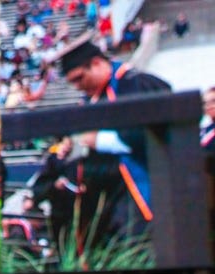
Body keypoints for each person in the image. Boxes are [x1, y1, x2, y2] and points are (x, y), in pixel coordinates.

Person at [55, 33, 170, 255]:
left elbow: (145, 136)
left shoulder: (133, 84)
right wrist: (74, 143)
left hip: (144, 189)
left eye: (80, 78)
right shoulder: (92, 100)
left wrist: (95, 139)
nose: (79, 87)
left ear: (97, 63)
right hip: (111, 198)